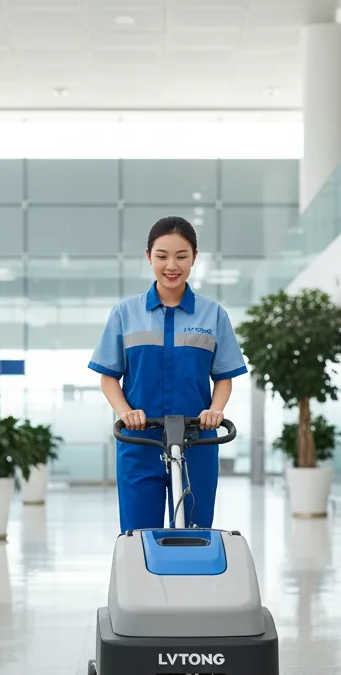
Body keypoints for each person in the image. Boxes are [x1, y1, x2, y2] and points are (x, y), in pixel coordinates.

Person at [88, 216, 247, 532]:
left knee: (197, 536)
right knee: (138, 537)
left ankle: (193, 585)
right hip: (139, 444)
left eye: (181, 256)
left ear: (194, 257)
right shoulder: (125, 314)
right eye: (162, 256)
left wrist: (216, 410)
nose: (171, 265)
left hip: (197, 442)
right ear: (148, 256)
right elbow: (109, 378)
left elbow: (224, 377)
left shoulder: (213, 314)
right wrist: (125, 412)